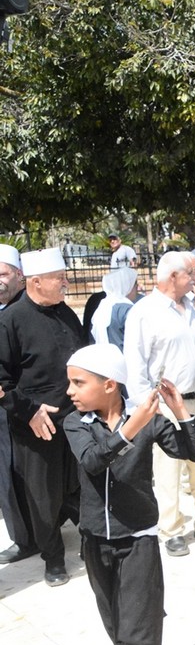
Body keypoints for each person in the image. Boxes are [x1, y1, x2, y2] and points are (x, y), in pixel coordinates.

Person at [64, 344, 195, 645]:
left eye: (78, 383)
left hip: (138, 540)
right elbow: (93, 461)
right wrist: (131, 428)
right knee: (116, 628)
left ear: (110, 384)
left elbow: (194, 453)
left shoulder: (149, 421)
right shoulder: (76, 422)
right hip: (95, 540)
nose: (70, 391)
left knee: (139, 632)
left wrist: (180, 411)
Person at [123, 251, 195, 557]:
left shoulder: (191, 310)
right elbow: (135, 366)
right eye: (192, 272)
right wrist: (147, 408)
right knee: (169, 470)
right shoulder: (144, 312)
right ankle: (171, 529)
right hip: (165, 405)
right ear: (173, 276)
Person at [0, 248, 86, 584]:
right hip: (36, 425)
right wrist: (30, 411)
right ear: (36, 282)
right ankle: (53, 560)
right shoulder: (10, 321)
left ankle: (95, 542)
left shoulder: (66, 313)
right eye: (59, 278)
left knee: (82, 486)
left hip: (75, 418)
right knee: (44, 497)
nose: (66, 283)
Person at [0, 244, 34, 565]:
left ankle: (28, 539)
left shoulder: (24, 311)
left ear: (20, 277)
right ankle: (23, 535)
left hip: (20, 404)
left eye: (2, 273)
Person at [90, 268, 138, 348]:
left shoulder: (102, 307)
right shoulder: (126, 309)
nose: (137, 288)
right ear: (127, 286)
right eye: (135, 284)